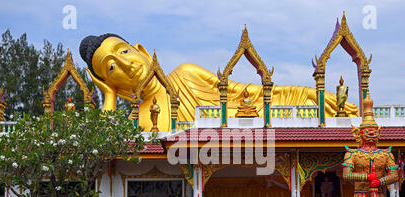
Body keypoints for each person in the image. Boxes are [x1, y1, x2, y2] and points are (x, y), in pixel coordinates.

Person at [79, 34, 359, 132]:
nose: (127, 64)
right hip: (211, 145)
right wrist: (109, 97)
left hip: (250, 121)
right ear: (109, 82)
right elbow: (104, 149)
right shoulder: (137, 119)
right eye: (111, 67)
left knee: (300, 102)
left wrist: (308, 96)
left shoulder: (186, 74)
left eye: (125, 51)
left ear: (139, 48)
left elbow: (245, 93)